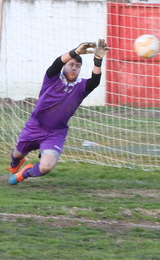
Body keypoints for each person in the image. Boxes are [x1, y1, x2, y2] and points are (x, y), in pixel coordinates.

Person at [8, 38, 108, 185]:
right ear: (64, 66)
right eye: (71, 64)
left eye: (78, 66)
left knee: (46, 167)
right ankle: (16, 162)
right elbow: (57, 63)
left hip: (55, 133)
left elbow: (95, 81)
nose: (74, 68)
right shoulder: (52, 78)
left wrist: (98, 60)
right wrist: (76, 51)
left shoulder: (81, 86)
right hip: (34, 127)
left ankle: (24, 173)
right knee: (17, 154)